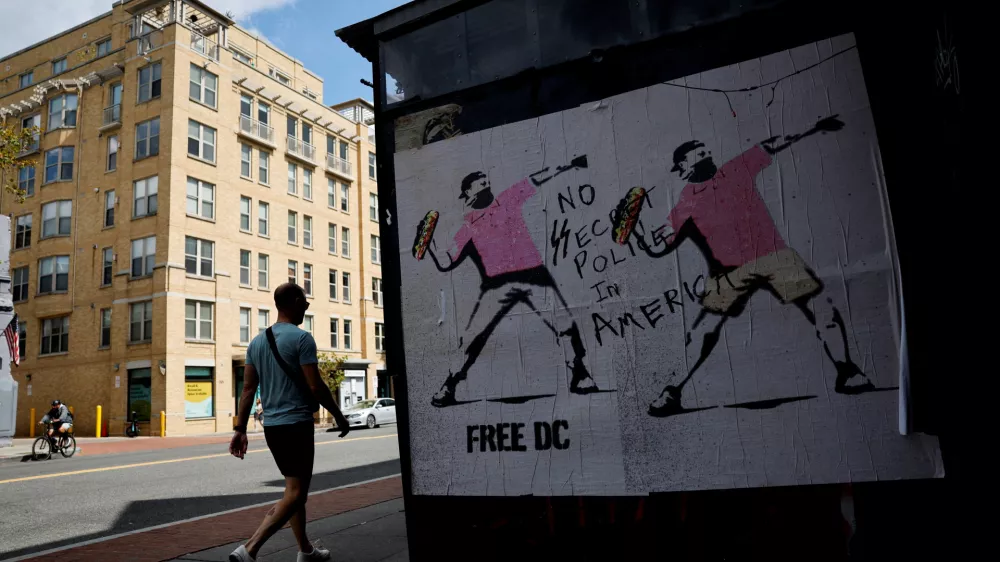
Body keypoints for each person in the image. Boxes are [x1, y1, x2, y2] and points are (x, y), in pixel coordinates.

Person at [621, 115, 874, 417]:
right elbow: (656, 247)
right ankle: (672, 391)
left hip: (774, 256)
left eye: (707, 151)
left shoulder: (735, 170)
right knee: (703, 332)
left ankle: (847, 371)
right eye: (698, 154)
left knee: (821, 306)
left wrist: (813, 127)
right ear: (682, 168)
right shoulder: (684, 207)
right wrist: (632, 230)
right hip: (728, 273)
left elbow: (771, 144)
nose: (707, 155)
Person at [418, 157, 599, 407]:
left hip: (534, 275)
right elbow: (446, 261)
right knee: (472, 338)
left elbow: (537, 178)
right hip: (497, 284)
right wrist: (428, 244)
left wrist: (568, 164)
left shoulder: (507, 199)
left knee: (565, 324)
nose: (486, 183)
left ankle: (579, 373)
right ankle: (450, 385)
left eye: (487, 180)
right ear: (467, 192)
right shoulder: (467, 228)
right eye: (479, 182)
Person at [229, 283, 351, 562]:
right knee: (296, 493)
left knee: (294, 490)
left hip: (272, 427)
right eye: (305, 302)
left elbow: (248, 390)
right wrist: (339, 415)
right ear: (294, 302)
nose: (307, 307)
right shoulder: (302, 338)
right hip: (296, 424)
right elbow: (316, 386)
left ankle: (306, 550)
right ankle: (249, 549)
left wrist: (240, 429)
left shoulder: (256, 343)